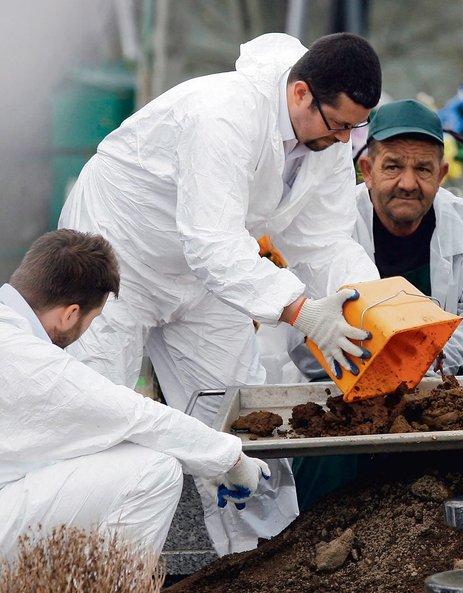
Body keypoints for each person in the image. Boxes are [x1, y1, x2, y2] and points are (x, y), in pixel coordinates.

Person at [57, 32, 383, 555]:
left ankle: (269, 569)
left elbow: (323, 241)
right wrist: (300, 310)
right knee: (98, 421)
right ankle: (87, 571)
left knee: (240, 424)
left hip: (206, 271)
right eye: (340, 123)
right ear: (300, 93)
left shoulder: (323, 140)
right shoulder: (224, 112)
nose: (346, 140)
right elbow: (210, 241)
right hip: (118, 255)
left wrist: (378, 307)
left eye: (356, 127)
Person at [287, 100, 463, 510]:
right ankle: (316, 541)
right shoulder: (328, 225)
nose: (408, 182)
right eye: (393, 166)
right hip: (352, 388)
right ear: (368, 170)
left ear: (442, 174)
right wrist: (378, 365)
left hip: (441, 388)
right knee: (319, 420)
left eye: (423, 168)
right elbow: (302, 334)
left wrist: (419, 355)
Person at [0, 230, 270, 561]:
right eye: (91, 320)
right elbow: (134, 416)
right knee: (154, 470)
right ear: (70, 314)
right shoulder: (29, 357)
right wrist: (232, 459)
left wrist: (202, 461)